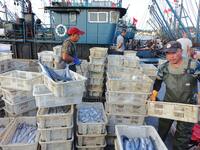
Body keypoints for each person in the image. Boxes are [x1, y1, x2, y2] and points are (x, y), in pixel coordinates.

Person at [150, 41, 200, 150]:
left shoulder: (194, 65)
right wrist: (154, 94)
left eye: (174, 53)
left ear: (181, 51)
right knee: (161, 131)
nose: (170, 56)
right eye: (167, 53)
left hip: (188, 107)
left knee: (182, 137)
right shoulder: (164, 67)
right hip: (169, 104)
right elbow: (158, 82)